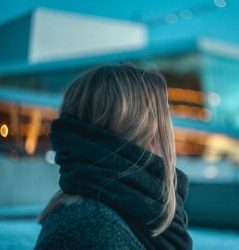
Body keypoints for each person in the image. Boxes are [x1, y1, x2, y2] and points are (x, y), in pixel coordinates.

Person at [34, 64, 193, 250]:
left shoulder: (104, 218)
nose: (170, 131)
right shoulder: (93, 228)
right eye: (164, 117)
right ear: (143, 132)